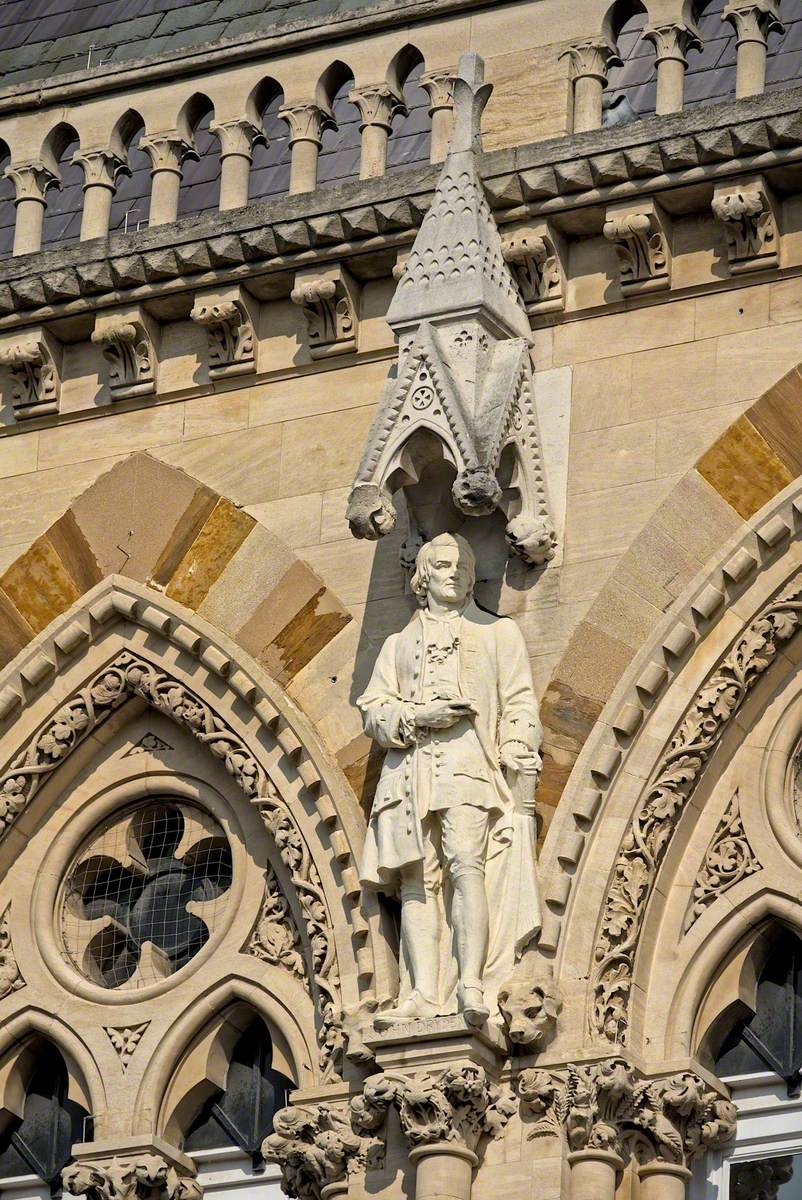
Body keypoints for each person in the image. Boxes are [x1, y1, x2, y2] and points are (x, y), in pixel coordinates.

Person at [358, 532, 542, 1026]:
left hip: (469, 767)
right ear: (422, 576)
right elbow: (373, 710)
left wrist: (517, 749)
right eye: (441, 565)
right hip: (410, 776)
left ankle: (471, 983)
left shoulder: (496, 633)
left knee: (467, 866)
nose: (454, 572)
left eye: (461, 564)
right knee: (417, 881)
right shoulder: (398, 644)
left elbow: (520, 701)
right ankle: (421, 992)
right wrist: (421, 716)